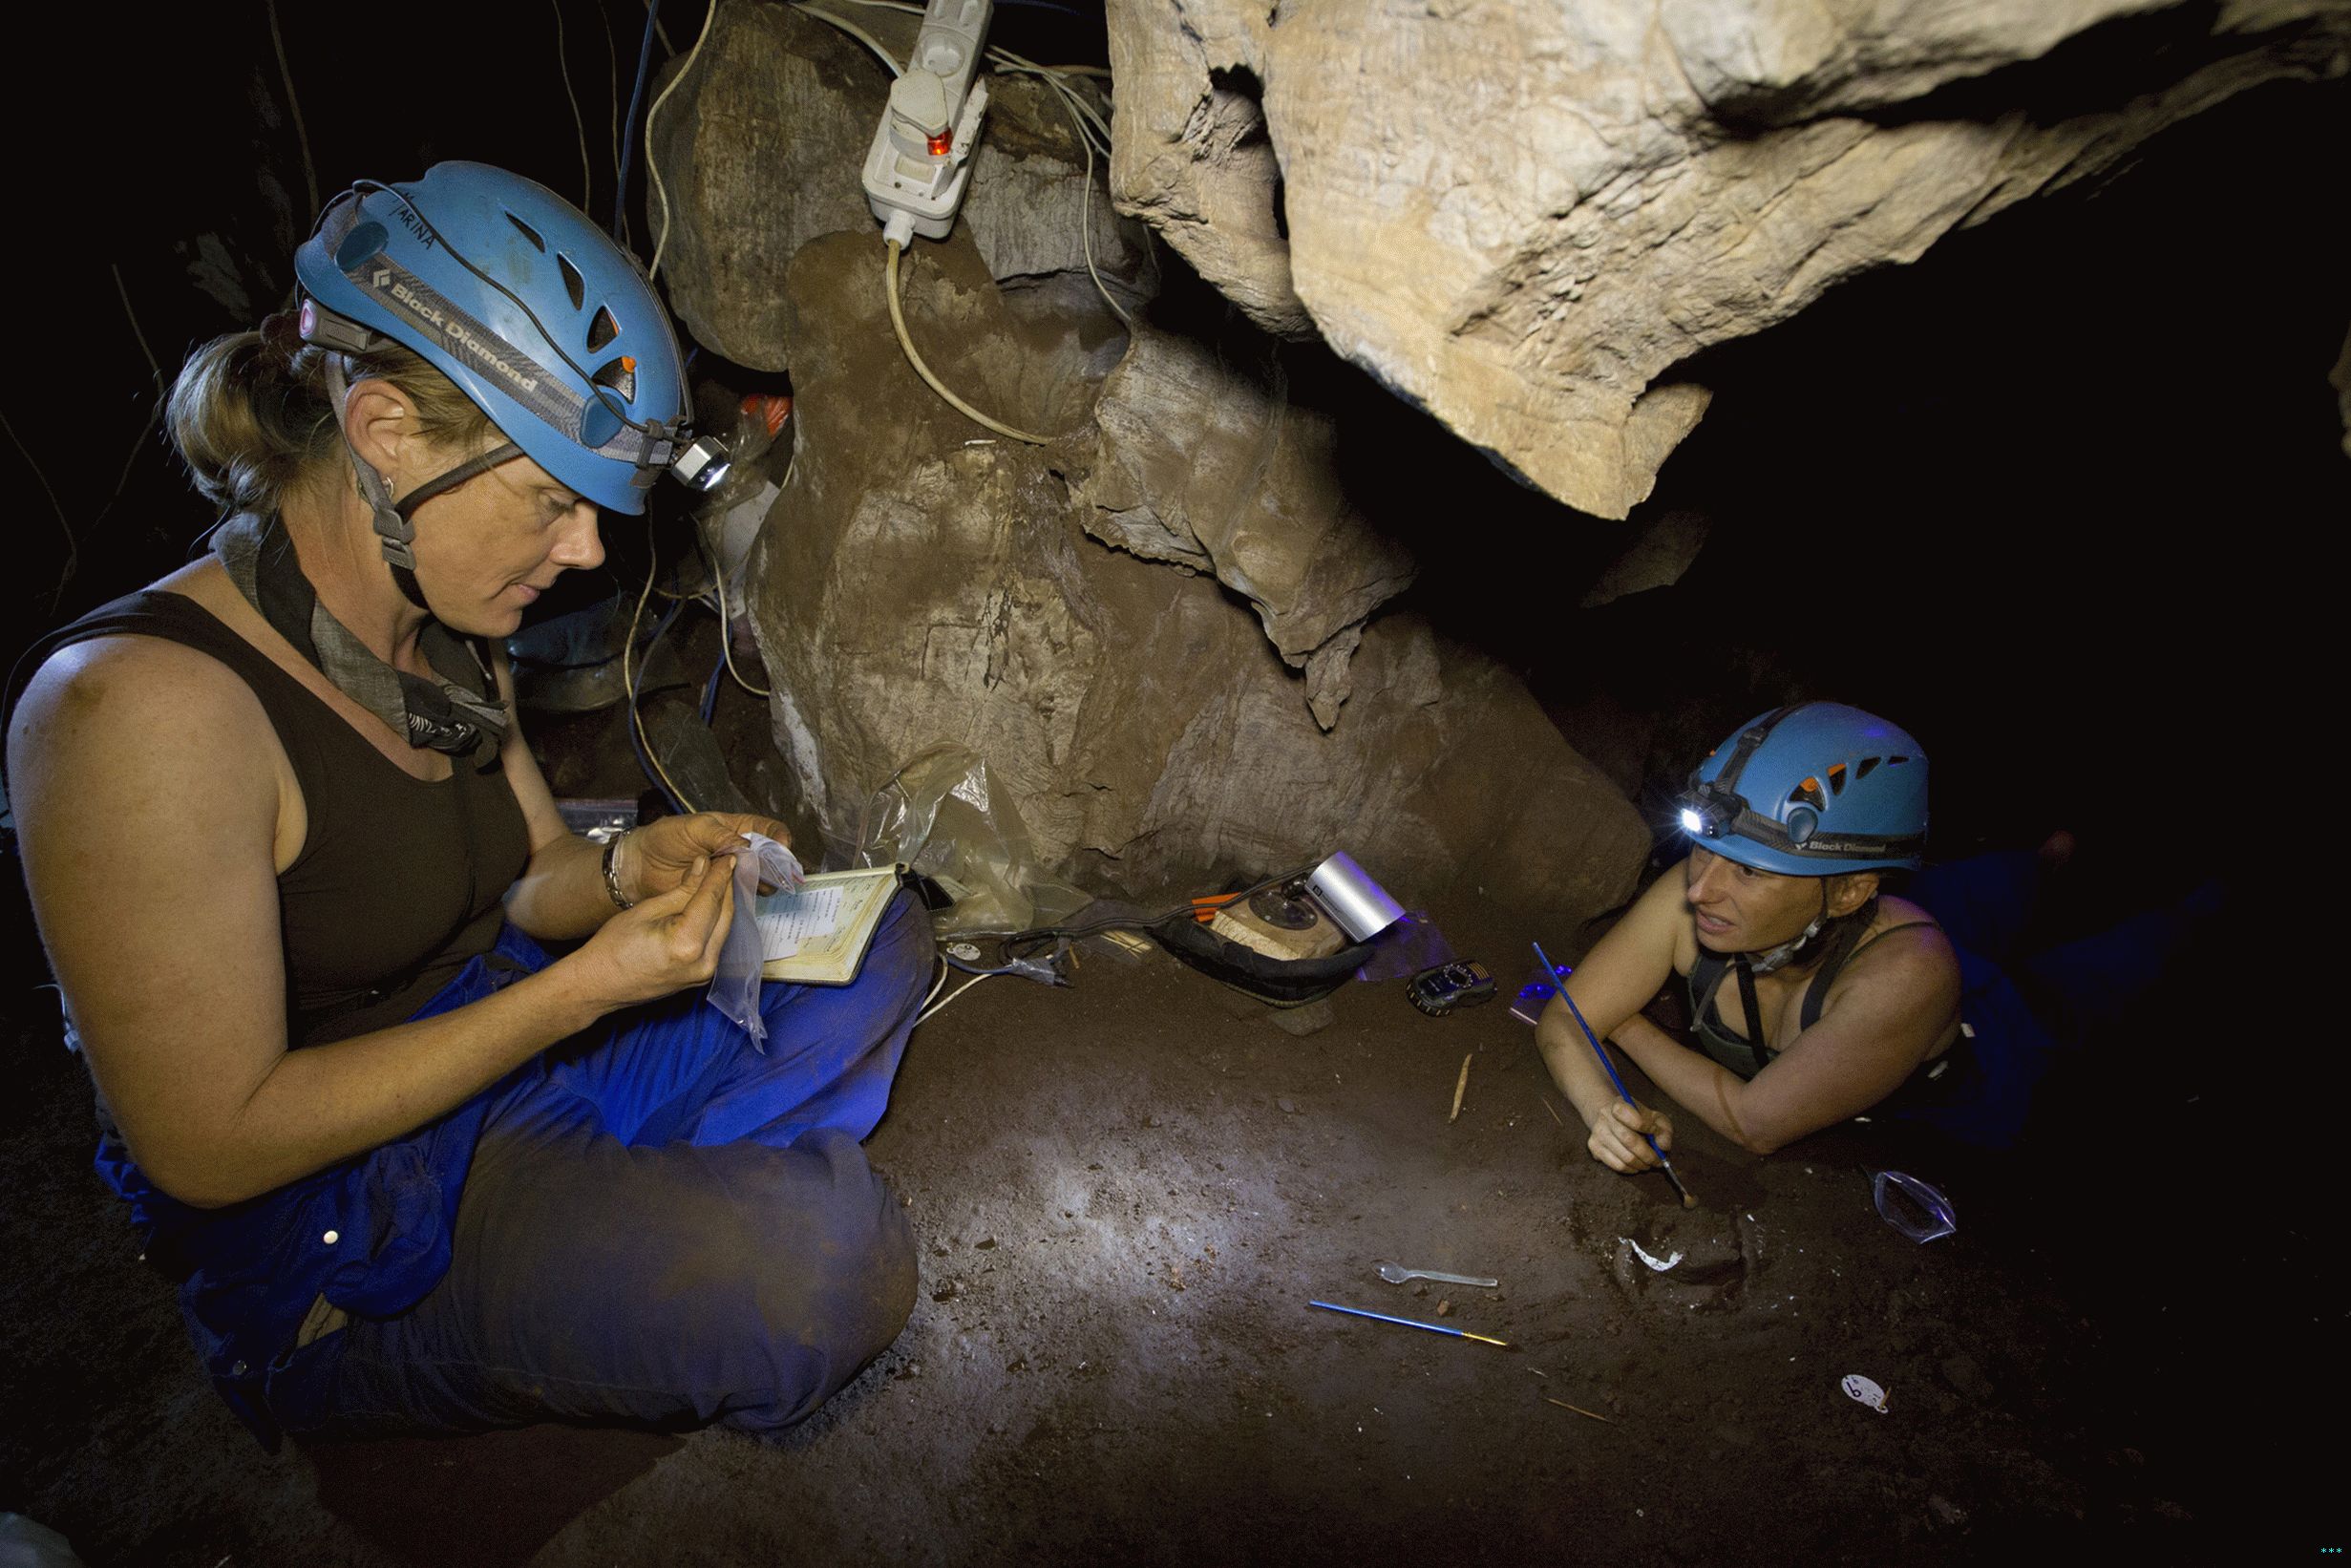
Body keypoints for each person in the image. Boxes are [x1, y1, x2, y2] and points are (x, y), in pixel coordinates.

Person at [5, 164, 929, 1446]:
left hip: (508, 1046)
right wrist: (584, 990)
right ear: (384, 431)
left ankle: (609, 1220)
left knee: (880, 934)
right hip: (344, 1199)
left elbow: (527, 872)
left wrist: (623, 868)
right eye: (550, 500)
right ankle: (567, 1257)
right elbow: (209, 1144)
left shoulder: (441, 616)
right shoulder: (132, 713)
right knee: (830, 1269)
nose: (586, 554)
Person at [1537, 701, 2039, 1168]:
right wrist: (1603, 1109)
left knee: (2037, 926)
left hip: (2001, 1047)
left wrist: (1623, 1023)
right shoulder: (1699, 890)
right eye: (1705, 851)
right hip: (1863, 926)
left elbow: (1755, 1123)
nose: (1699, 891)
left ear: (1847, 893)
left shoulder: (1909, 978)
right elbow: (1565, 1018)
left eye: (1750, 872)